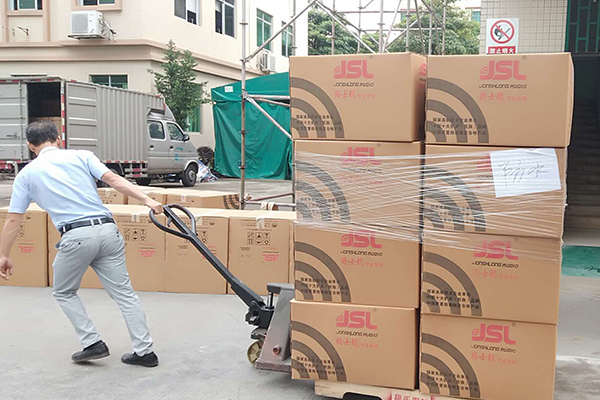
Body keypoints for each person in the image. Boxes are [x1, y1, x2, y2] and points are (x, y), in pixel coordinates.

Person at [0, 121, 163, 368]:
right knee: (125, 294)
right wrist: (147, 200)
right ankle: (145, 351)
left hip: (76, 236)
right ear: (58, 139)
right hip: (108, 231)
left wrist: (4, 254)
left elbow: (14, 218)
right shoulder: (82, 156)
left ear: (31, 146)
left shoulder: (26, 175)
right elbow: (113, 179)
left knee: (64, 291)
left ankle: (92, 342)